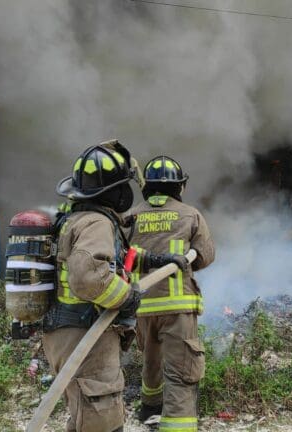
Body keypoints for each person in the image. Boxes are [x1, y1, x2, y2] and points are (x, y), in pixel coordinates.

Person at [42, 141, 188, 432]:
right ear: (116, 191)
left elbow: (116, 261)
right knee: (102, 420)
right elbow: (89, 278)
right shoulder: (98, 222)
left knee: (83, 415)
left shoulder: (73, 218)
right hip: (87, 333)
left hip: (64, 333)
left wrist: (157, 259)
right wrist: (127, 298)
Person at [131, 156, 215, 432]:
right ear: (179, 186)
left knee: (150, 359)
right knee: (180, 371)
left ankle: (150, 408)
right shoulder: (190, 214)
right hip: (178, 308)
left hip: (141, 306)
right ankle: (177, 425)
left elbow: (123, 259)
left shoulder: (130, 216)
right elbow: (205, 256)